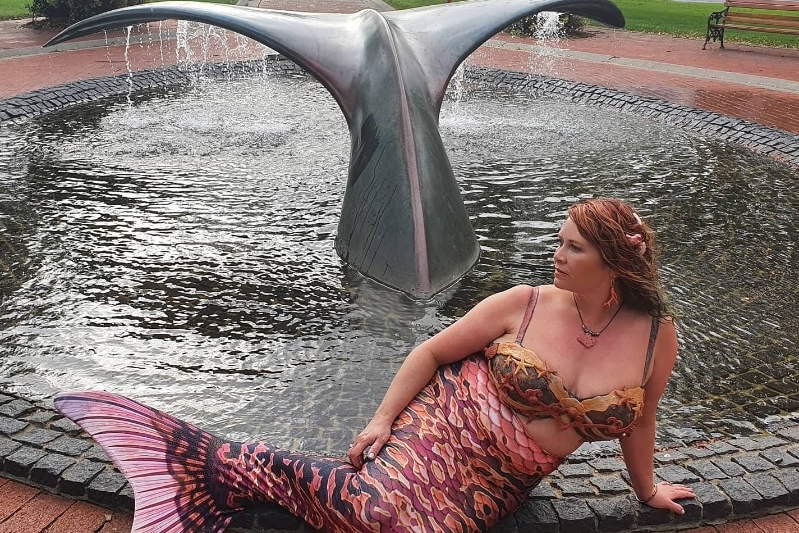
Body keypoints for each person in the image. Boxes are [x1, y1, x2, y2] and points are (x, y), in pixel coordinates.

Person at [55, 198, 695, 533]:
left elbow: (640, 421)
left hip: (498, 484)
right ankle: (203, 462)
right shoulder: (523, 305)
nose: (555, 254)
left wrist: (648, 491)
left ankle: (215, 472)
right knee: (377, 513)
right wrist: (382, 420)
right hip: (442, 432)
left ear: (615, 262)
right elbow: (432, 351)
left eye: (572, 247)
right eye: (558, 240)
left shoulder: (652, 337)